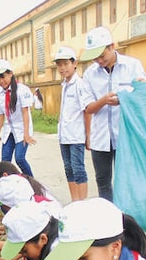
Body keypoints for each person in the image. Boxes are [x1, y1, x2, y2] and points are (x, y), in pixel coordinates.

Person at [80, 26, 146, 201]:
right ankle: (109, 221)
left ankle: (127, 220)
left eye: (102, 55)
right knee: (103, 182)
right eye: (95, 58)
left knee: (126, 181)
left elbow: (144, 95)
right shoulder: (89, 74)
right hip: (100, 138)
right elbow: (88, 108)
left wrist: (126, 98)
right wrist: (104, 100)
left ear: (112, 46)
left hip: (125, 136)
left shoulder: (132, 66)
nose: (99, 60)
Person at [54, 46, 89, 201]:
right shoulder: (64, 84)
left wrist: (88, 135)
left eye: (65, 64)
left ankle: (82, 203)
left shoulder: (80, 84)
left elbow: (86, 111)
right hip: (64, 135)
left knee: (78, 169)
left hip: (76, 135)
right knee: (68, 169)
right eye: (59, 64)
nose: (62, 68)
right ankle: (75, 201)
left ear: (75, 63)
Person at [0, 59, 36, 177]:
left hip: (22, 129)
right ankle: (10, 185)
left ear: (10, 73)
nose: (1, 81)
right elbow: (0, 116)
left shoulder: (22, 90)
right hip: (8, 130)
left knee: (20, 158)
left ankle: (32, 182)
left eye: (3, 77)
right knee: (5, 162)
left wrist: (26, 134)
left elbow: (25, 112)